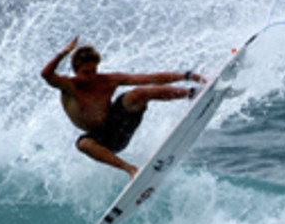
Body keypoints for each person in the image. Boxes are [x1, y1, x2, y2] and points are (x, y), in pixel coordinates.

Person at [41, 37, 207, 178]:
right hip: (105, 141)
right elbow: (46, 74)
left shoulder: (107, 80)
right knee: (83, 144)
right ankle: (131, 170)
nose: (92, 76)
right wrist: (62, 54)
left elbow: (148, 78)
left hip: (120, 125)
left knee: (138, 93)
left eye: (94, 70)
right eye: (86, 72)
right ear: (76, 70)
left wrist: (186, 75)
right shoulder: (69, 87)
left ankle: (192, 93)